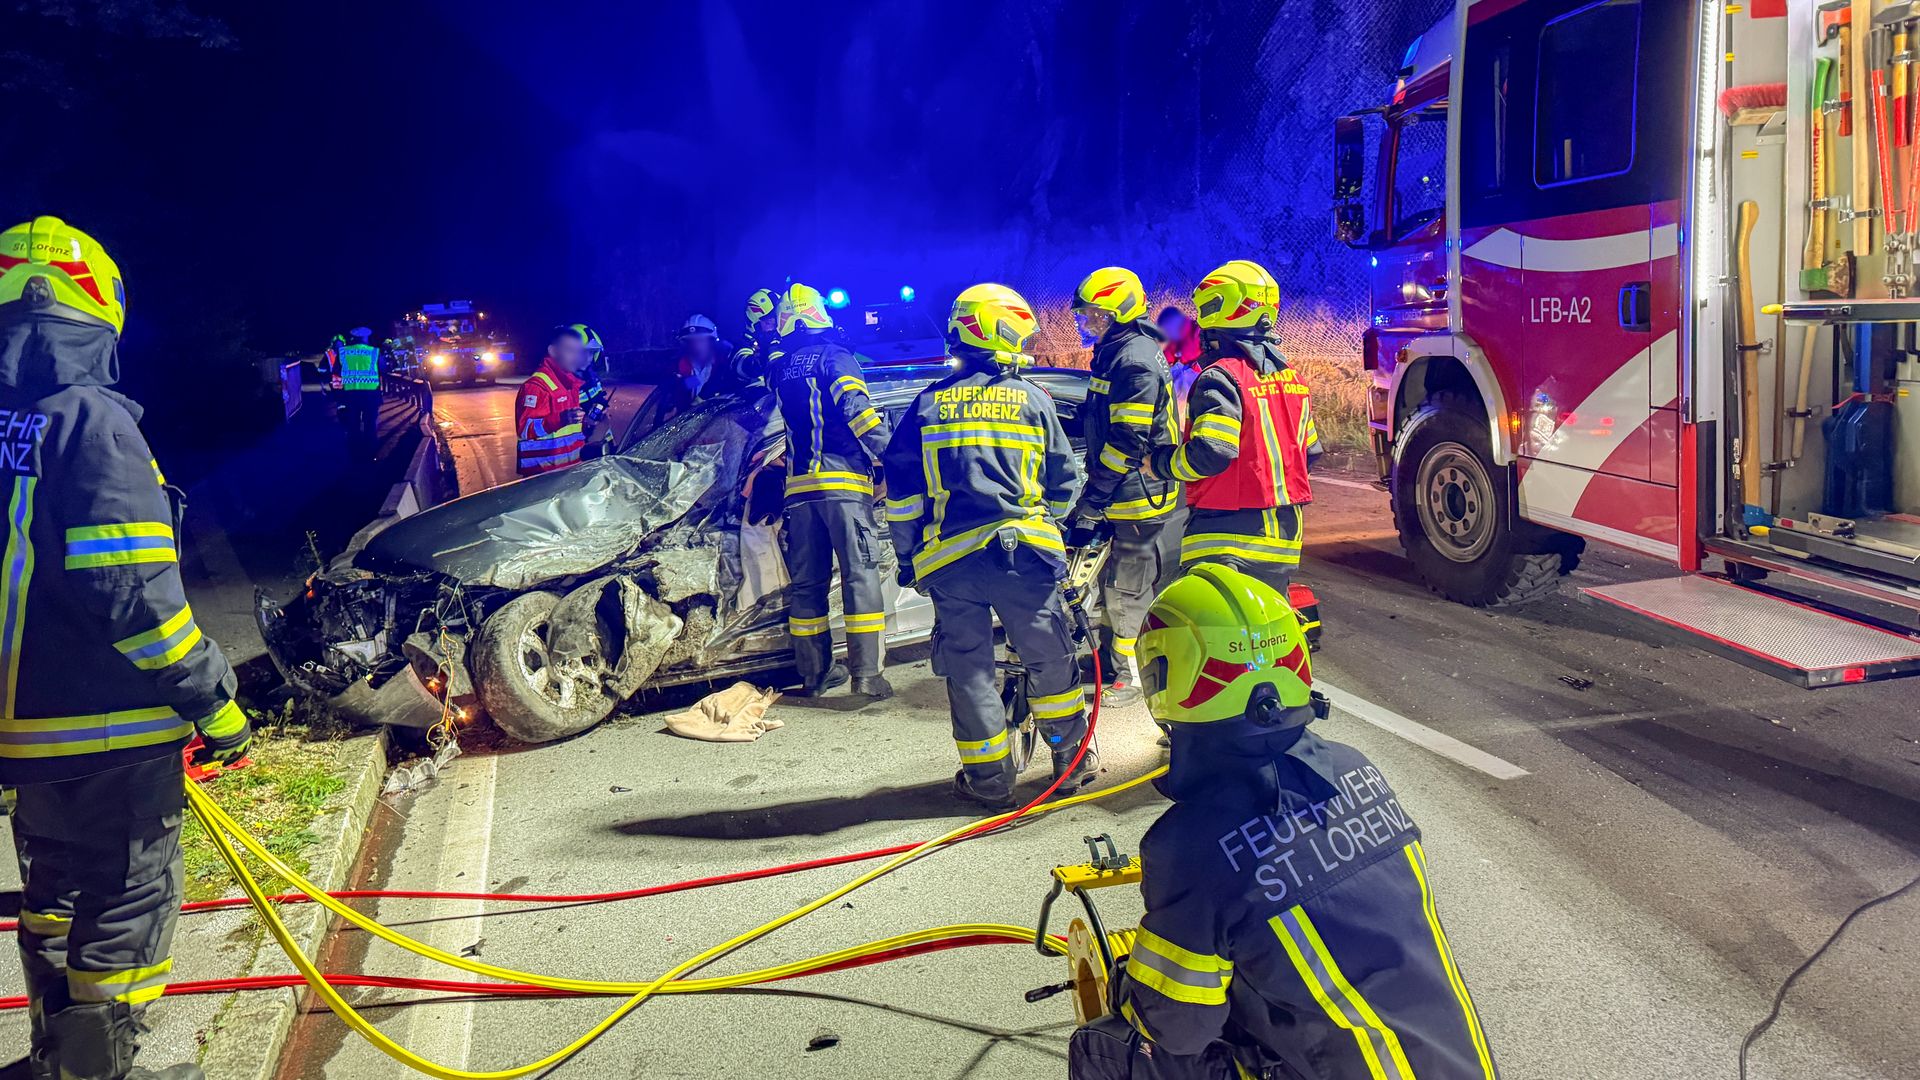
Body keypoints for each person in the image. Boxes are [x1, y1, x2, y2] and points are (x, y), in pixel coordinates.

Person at [1069, 563, 1497, 1080]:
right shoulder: (1356, 769)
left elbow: (1178, 1029)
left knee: (1103, 1046)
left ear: (1166, 681)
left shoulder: (1191, 845)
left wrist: (1128, 986)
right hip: (1462, 1066)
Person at [0, 216, 254, 1080]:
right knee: (128, 894)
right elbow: (134, 595)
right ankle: (97, 1071)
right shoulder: (94, 424)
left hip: (26, 736)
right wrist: (214, 701)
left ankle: (53, 1058)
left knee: (55, 893)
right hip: (110, 725)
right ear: (99, 308)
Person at [882, 283, 1090, 808]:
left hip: (952, 565)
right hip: (1025, 560)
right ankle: (1070, 763)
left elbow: (902, 498)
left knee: (969, 670)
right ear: (999, 333)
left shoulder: (926, 405)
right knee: (1050, 659)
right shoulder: (1033, 399)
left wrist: (908, 560)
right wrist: (1048, 530)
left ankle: (990, 782)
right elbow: (1064, 482)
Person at [1147, 261, 1319, 594]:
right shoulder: (1291, 378)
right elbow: (1309, 452)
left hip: (1228, 535)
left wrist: (1159, 464)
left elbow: (1211, 454)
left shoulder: (1221, 377)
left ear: (1220, 310)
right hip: (1285, 534)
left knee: (1206, 619)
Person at [765, 283, 894, 698]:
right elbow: (858, 413)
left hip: (799, 493)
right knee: (860, 577)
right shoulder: (836, 357)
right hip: (843, 487)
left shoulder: (781, 370)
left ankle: (815, 675)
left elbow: (764, 365)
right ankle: (868, 676)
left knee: (808, 586)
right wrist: (896, 456)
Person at [1063, 267, 1183, 708]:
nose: (1085, 322)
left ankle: (1131, 676)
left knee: (1126, 589)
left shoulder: (1133, 360)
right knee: (1112, 584)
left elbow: (1127, 442)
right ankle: (1111, 662)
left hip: (1136, 496)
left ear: (1119, 315)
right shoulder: (1116, 351)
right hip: (1125, 491)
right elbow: (1100, 416)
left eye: (1094, 315)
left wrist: (1093, 500)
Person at [515, 324, 594, 476]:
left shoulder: (571, 384)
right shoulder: (537, 386)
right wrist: (560, 419)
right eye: (570, 350)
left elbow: (568, 432)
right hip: (542, 476)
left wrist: (586, 424)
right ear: (553, 351)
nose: (576, 357)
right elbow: (524, 430)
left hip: (569, 471)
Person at [335, 326, 383, 459]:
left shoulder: (343, 352)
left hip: (350, 395)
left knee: (352, 425)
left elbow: (336, 372)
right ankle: (371, 454)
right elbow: (383, 369)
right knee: (370, 424)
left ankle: (354, 454)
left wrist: (338, 394)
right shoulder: (374, 352)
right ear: (366, 338)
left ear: (353, 338)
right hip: (370, 394)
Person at [673, 313, 739, 403]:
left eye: (701, 340)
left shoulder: (726, 367)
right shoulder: (684, 368)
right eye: (691, 341)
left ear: (711, 341)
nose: (696, 346)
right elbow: (689, 393)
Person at [1156, 306, 1203, 420]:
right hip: (1183, 377)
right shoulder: (1173, 340)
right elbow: (1167, 356)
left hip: (1197, 375)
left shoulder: (1198, 333)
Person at [728, 287, 779, 390]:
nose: (775, 327)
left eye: (777, 320)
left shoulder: (782, 340)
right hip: (748, 397)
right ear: (755, 324)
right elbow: (743, 366)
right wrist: (762, 358)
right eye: (768, 322)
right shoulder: (743, 343)